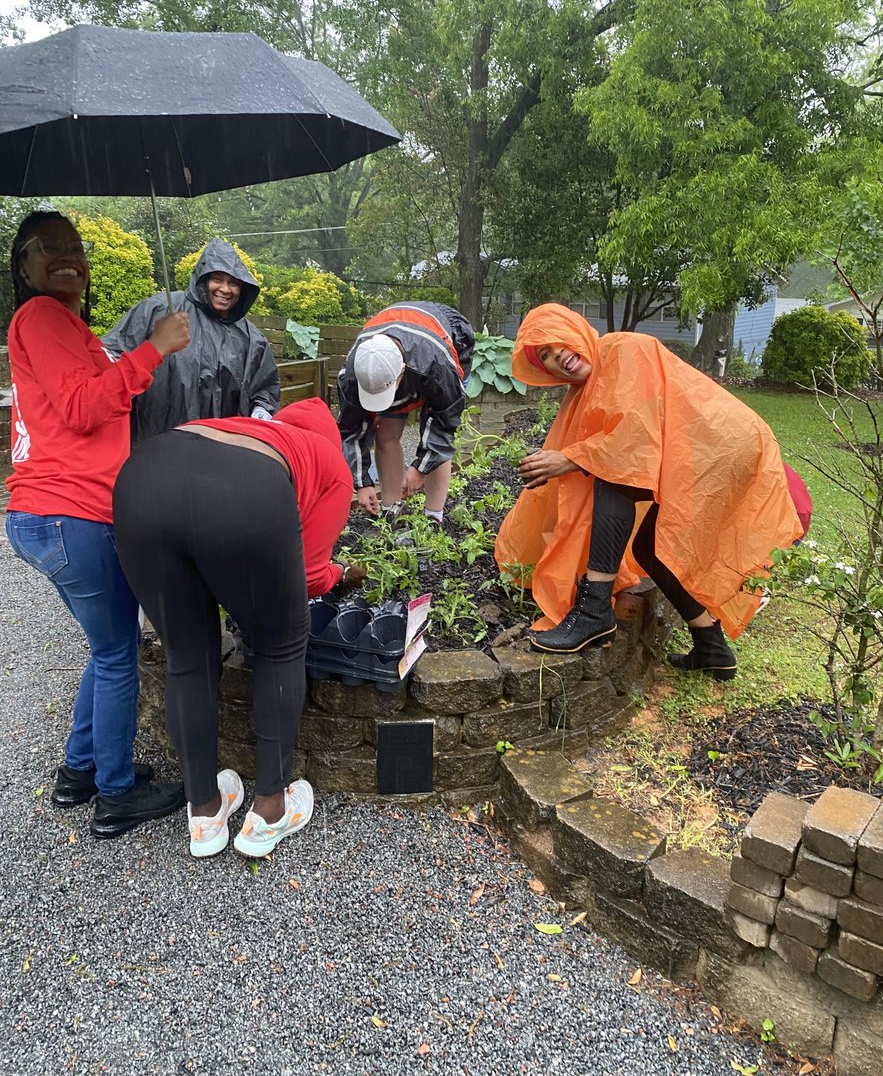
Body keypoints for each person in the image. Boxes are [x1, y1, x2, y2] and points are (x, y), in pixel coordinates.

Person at [5, 209, 191, 837]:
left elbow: (88, 396)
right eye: (47, 248)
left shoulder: (62, 323)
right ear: (23, 266)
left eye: (74, 247)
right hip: (70, 513)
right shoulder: (41, 317)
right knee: (117, 653)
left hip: (59, 514)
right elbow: (85, 409)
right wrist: (155, 349)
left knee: (107, 646)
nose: (67, 257)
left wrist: (139, 358)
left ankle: (79, 771)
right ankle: (113, 795)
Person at [494, 304, 804, 679]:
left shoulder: (623, 348)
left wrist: (570, 460)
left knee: (614, 479)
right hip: (693, 454)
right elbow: (618, 445)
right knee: (650, 547)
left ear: (577, 332)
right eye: (545, 355)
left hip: (722, 448)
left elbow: (630, 441)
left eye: (558, 341)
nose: (557, 354)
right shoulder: (582, 394)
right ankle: (712, 649)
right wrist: (559, 466)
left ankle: (594, 612)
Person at [112, 398, 363, 859]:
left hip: (142, 477)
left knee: (186, 658)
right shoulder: (329, 462)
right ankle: (269, 812)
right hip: (242, 493)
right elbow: (308, 575)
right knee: (281, 644)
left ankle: (205, 814)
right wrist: (342, 573)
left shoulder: (250, 429)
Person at [103, 238, 280, 443]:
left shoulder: (250, 338)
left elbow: (265, 387)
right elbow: (113, 354)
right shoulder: (161, 310)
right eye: (217, 279)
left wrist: (261, 412)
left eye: (233, 283)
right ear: (203, 280)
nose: (225, 289)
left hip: (216, 450)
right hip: (152, 442)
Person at [336, 301, 474, 521]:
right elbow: (351, 429)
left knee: (437, 441)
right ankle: (391, 513)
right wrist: (361, 483)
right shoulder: (353, 373)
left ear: (401, 371)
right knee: (385, 434)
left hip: (447, 338)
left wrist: (421, 468)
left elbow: (443, 424)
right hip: (401, 334)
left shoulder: (438, 365)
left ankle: (433, 518)